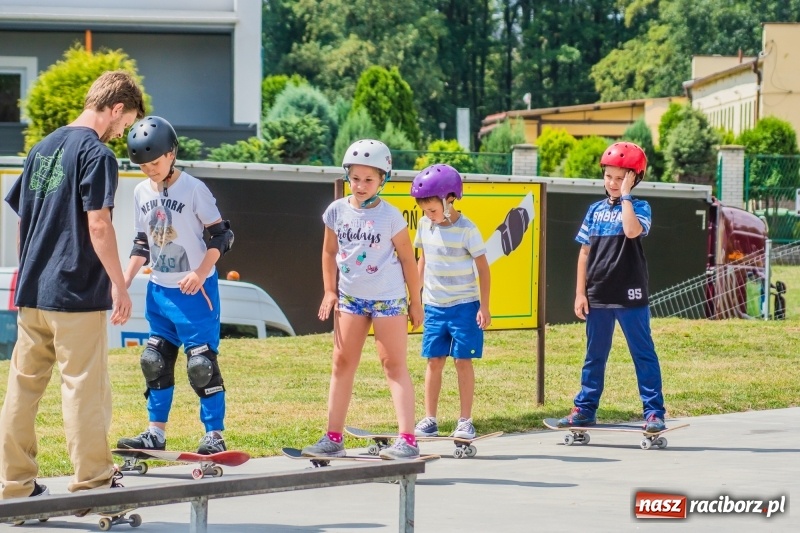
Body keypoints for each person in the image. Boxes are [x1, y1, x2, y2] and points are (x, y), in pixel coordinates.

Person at [0, 71, 145, 499]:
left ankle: (14, 484)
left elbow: (23, 223)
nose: (122, 132)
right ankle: (93, 485)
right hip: (76, 293)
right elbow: (98, 225)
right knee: (83, 387)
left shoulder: (40, 149)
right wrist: (120, 286)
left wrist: (26, 273)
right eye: (126, 122)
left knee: (22, 389)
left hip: (34, 293)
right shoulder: (96, 155)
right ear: (116, 107)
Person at [116, 116, 234, 455]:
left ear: (172, 154)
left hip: (196, 294)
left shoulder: (194, 189)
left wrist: (200, 272)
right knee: (154, 359)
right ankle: (155, 432)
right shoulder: (140, 192)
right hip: (159, 291)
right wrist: (122, 283)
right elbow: (142, 242)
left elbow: (222, 235)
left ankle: (214, 434)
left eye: (155, 162)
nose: (150, 169)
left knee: (201, 365)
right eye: (143, 165)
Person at [302, 139, 423, 460]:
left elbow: (409, 261)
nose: (360, 185)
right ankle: (333, 437)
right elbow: (329, 252)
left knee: (393, 365)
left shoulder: (392, 217)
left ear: (383, 179)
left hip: (388, 300)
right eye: (355, 178)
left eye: (369, 179)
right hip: (350, 300)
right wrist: (329, 291)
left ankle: (408, 439)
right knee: (341, 364)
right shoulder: (336, 212)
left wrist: (416, 302)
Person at [556, 141, 667, 433]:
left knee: (643, 354)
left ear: (634, 178)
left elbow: (631, 231)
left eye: (620, 178)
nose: (613, 183)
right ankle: (585, 409)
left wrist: (627, 197)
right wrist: (580, 292)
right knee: (594, 356)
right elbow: (584, 252)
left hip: (630, 296)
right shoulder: (594, 210)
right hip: (598, 296)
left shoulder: (641, 207)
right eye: (609, 176)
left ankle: (654, 412)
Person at [409, 164, 491, 440]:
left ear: (450, 199)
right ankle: (429, 419)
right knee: (433, 361)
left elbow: (483, 268)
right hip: (434, 307)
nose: (429, 216)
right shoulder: (424, 225)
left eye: (432, 210)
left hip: (465, 307)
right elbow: (422, 262)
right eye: (425, 211)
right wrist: (415, 300)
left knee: (462, 362)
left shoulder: (468, 229)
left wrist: (484, 306)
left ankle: (465, 420)